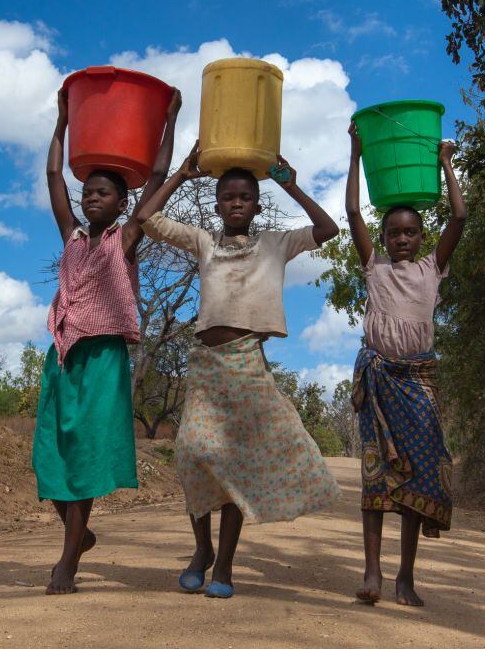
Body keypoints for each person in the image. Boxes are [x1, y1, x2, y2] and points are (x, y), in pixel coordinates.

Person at [136, 149, 342, 599]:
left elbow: (328, 229)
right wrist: (182, 175)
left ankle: (224, 566)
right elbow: (147, 217)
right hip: (207, 366)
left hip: (247, 361)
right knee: (192, 454)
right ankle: (202, 550)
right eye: (227, 197)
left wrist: (289, 182)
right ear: (215, 205)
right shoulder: (203, 241)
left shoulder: (276, 244)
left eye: (245, 197)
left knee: (235, 465)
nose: (236, 203)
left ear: (257, 204)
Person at [32, 84, 182, 595]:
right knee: (50, 453)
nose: (92, 198)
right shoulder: (72, 236)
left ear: (122, 203)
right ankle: (80, 534)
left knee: (89, 454)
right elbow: (54, 173)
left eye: (103, 193)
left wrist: (171, 120)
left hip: (104, 358)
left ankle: (66, 563)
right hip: (63, 355)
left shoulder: (127, 239)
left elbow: (158, 177)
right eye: (87, 193)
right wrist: (61, 122)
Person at [345, 121, 466, 606]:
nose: (401, 239)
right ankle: (372, 574)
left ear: (420, 238)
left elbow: (458, 217)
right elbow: (353, 209)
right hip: (378, 380)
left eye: (410, 232)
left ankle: (406, 578)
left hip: (418, 382)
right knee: (375, 479)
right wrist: (355, 152)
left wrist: (445, 163)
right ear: (384, 237)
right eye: (394, 232)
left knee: (418, 476)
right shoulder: (373, 266)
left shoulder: (432, 268)